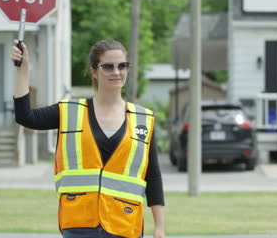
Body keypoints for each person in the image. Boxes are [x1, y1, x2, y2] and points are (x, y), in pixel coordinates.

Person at [11, 39, 165, 238]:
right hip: (79, 225)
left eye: (122, 66)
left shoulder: (144, 119)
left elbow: (152, 175)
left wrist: (159, 226)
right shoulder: (68, 112)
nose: (116, 72)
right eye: (108, 67)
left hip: (126, 225)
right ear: (93, 71)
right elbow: (25, 117)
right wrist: (23, 70)